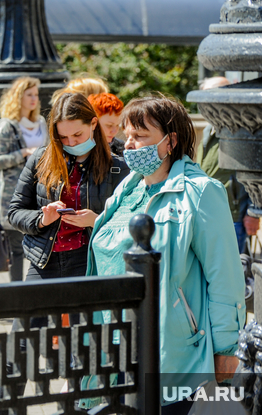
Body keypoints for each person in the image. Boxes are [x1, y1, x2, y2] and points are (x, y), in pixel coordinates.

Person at [87, 96, 245, 415]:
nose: (130, 144)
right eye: (127, 135)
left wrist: (226, 348)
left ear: (170, 140)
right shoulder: (125, 191)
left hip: (173, 352)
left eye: (140, 136)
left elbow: (224, 275)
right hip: (114, 347)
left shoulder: (201, 191)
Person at [8, 92, 128, 281]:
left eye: (77, 134)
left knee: (80, 312)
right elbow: (15, 212)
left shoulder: (117, 167)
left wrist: (96, 221)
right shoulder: (40, 159)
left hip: (88, 258)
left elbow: (131, 224)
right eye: (63, 137)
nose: (71, 142)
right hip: (43, 259)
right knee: (33, 310)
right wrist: (42, 219)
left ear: (93, 124)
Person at [0, 77, 49, 282]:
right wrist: (24, 153)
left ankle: (34, 292)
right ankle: (17, 294)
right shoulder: (7, 125)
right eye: (29, 94)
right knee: (16, 250)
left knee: (39, 247)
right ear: (18, 96)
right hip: (14, 194)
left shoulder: (41, 122)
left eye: (36, 94)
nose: (34, 99)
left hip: (41, 193)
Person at [196, 76, 260, 254]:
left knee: (231, 274)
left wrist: (252, 212)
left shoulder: (242, 129)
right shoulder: (209, 128)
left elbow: (255, 173)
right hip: (205, 213)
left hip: (233, 217)